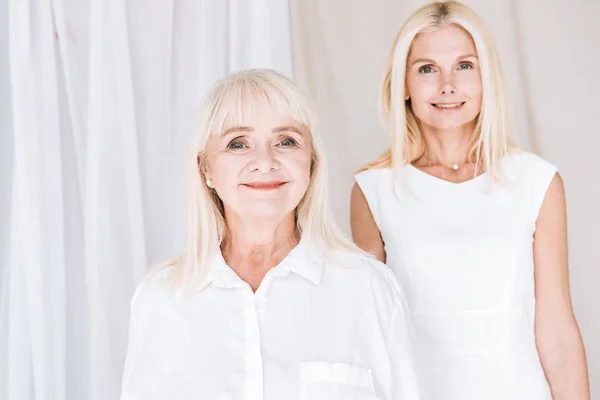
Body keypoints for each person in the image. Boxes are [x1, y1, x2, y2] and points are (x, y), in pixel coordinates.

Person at [120, 69, 421, 400]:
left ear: (312, 163)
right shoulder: (161, 298)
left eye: (286, 141)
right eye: (238, 144)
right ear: (206, 168)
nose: (264, 161)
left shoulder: (369, 289)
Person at [350, 1, 589, 399]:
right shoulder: (373, 190)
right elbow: (370, 335)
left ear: (486, 78)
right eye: (427, 68)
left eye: (464, 65)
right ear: (403, 85)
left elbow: (558, 334)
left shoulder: (536, 182)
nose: (448, 85)